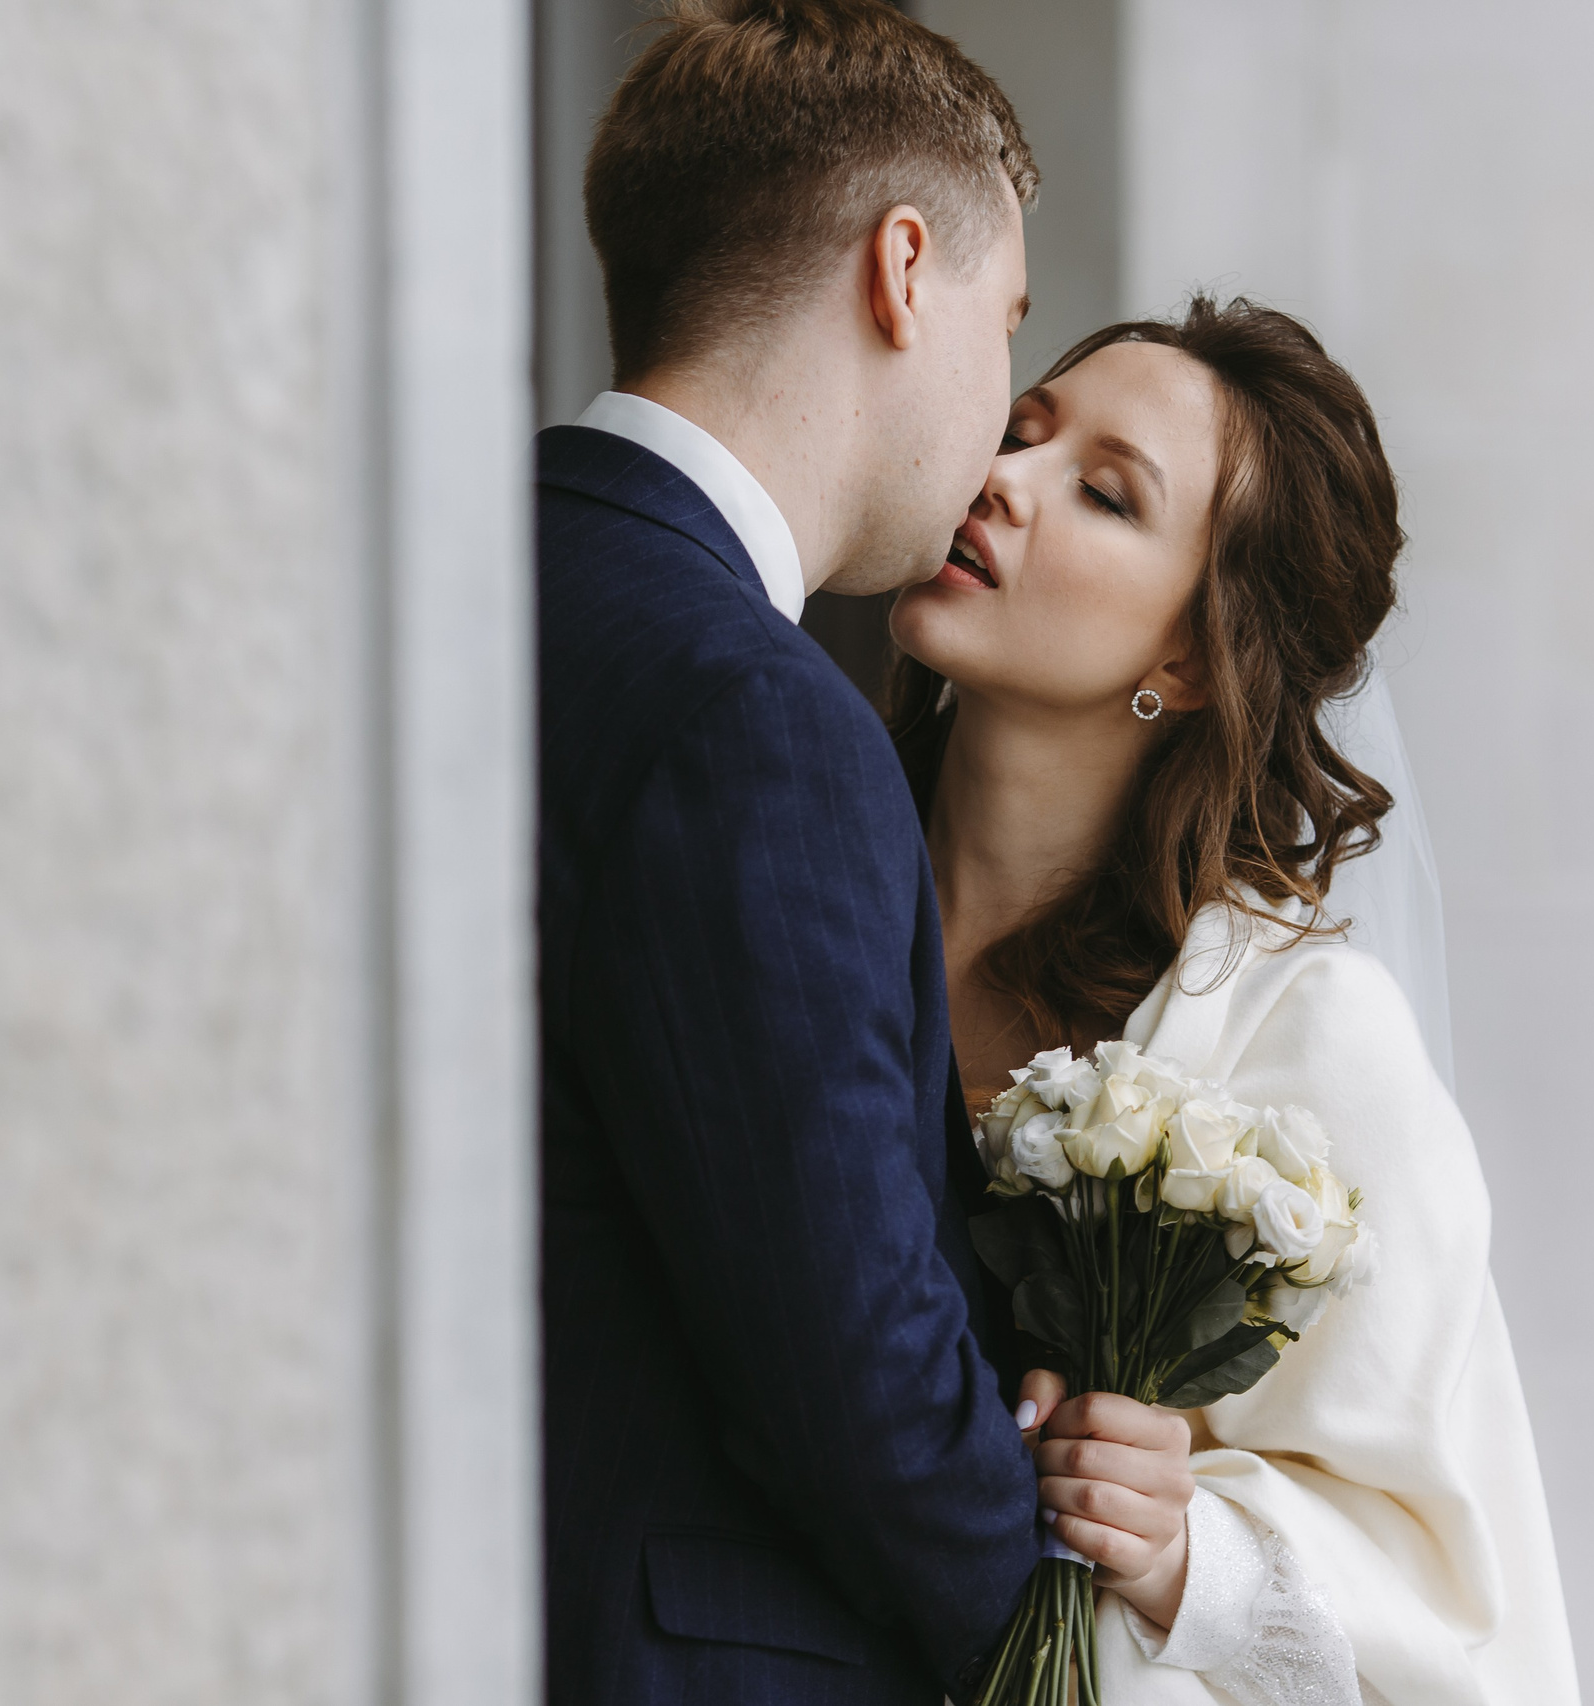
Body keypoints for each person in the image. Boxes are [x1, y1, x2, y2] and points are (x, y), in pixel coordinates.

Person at [891, 297, 1581, 1704]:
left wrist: (1182, 1539)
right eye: (1022, 429)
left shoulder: (1304, 1035)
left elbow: (1459, 1607)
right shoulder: (812, 878)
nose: (999, 481)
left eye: (1102, 492)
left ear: (1188, 658)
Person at [534, 2, 1059, 1700]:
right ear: (903, 271)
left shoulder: (454, 583)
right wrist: (1060, 1654)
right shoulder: (752, 709)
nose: (1001, 422)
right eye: (1008, 324)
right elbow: (861, 1370)